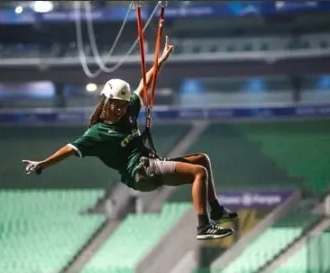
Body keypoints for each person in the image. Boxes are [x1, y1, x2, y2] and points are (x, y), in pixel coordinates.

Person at [22, 36, 238, 240]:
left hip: (150, 166)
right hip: (140, 174)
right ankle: (203, 226)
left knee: (202, 160)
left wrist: (161, 61)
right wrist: (42, 164)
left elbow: (144, 83)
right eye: (116, 104)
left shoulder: (127, 112)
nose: (120, 109)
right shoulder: (97, 133)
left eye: (124, 105)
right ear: (106, 101)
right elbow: (69, 149)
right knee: (198, 173)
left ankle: (217, 212)